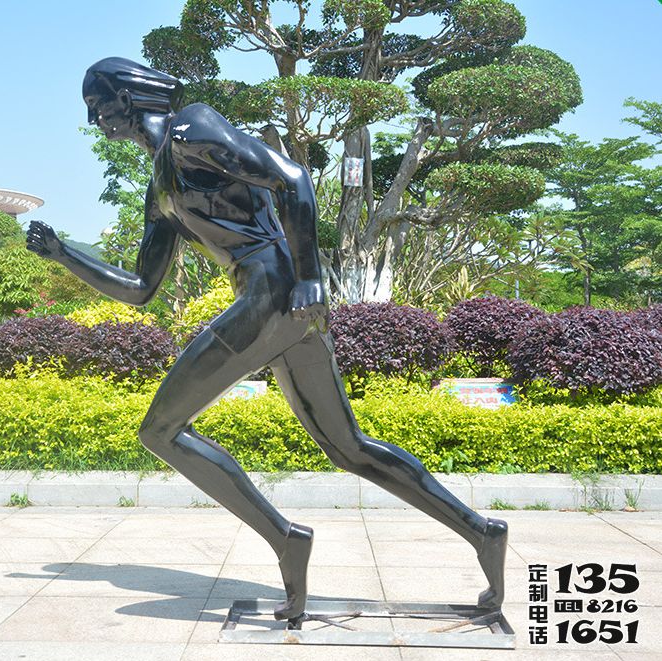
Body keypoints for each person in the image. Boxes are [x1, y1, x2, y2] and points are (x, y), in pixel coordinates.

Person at [26, 56, 507, 622]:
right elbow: (139, 288)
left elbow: (293, 178)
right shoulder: (160, 186)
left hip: (275, 295)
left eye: (96, 103)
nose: (93, 119)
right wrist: (65, 255)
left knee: (160, 430)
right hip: (279, 308)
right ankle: (482, 532)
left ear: (127, 97)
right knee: (348, 447)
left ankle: (284, 539)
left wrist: (309, 277)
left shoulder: (192, 128)